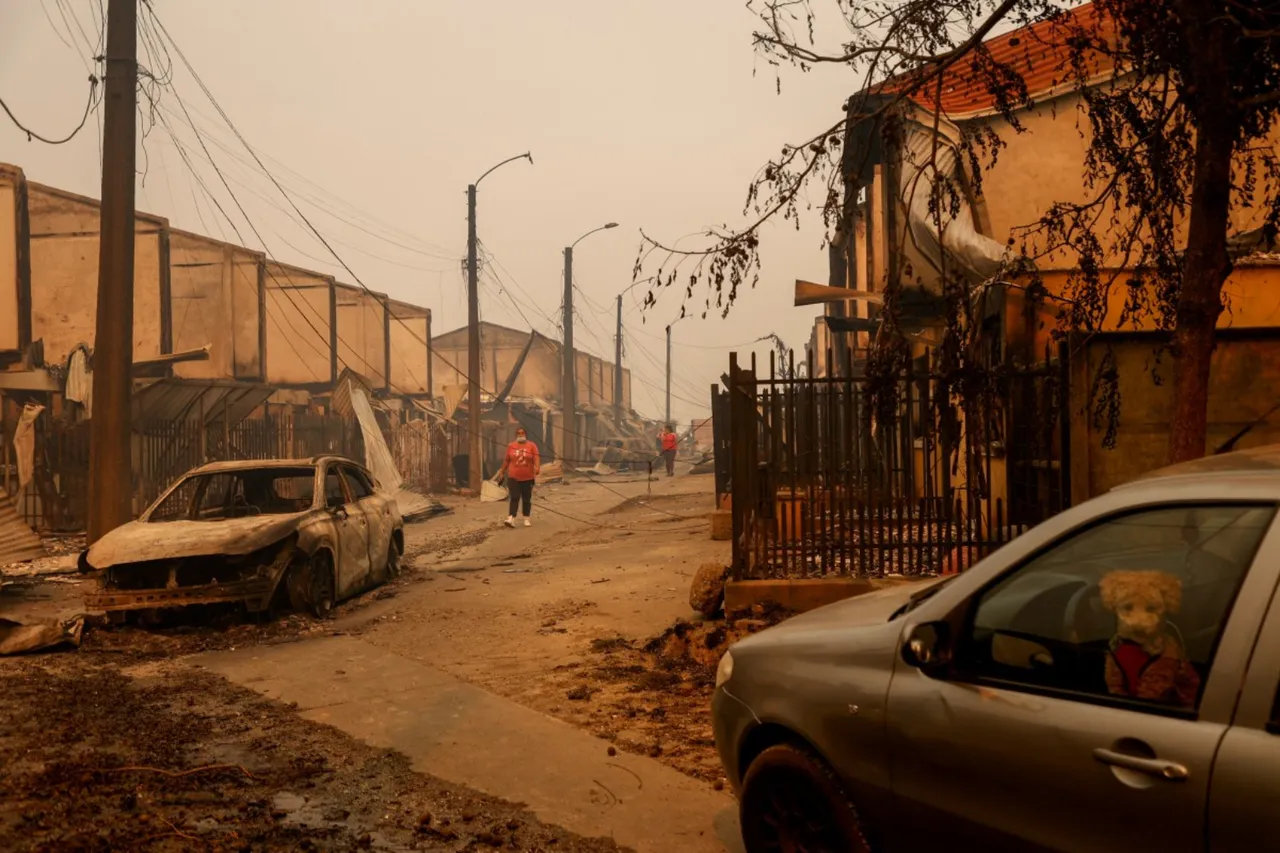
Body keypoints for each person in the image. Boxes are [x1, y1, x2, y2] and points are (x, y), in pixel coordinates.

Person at [499, 427, 540, 528]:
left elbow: (536, 457)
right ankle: (511, 518)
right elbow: (507, 460)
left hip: (528, 478)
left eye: (522, 433)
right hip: (514, 477)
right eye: (518, 433)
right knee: (514, 497)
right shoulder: (511, 446)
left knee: (526, 499)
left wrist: (537, 467)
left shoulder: (532, 445)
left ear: (525, 434)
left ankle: (526, 518)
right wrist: (502, 471)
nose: (520, 435)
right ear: (516, 435)